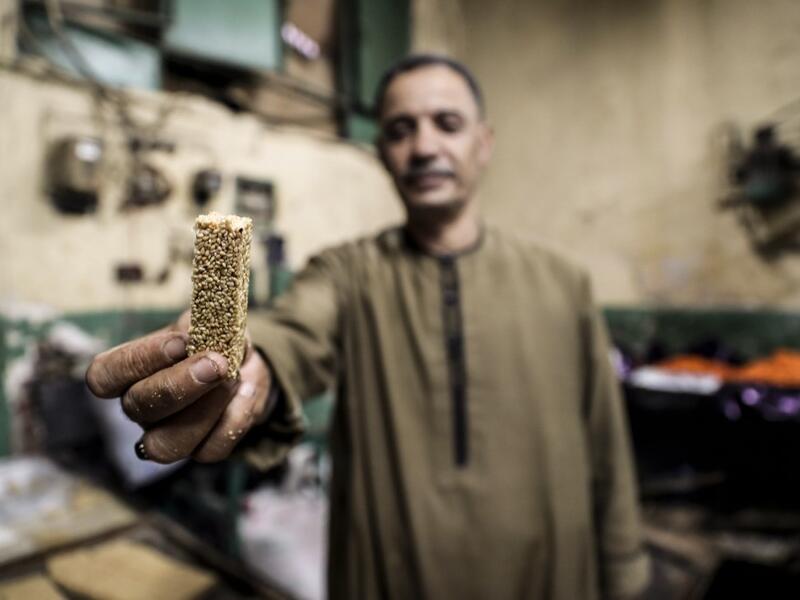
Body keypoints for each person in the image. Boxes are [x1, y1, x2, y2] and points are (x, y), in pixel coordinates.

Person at [87, 54, 650, 600]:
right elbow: (292, 333)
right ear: (382, 152)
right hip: (394, 573)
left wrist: (623, 567)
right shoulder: (348, 273)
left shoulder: (563, 283)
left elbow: (604, 438)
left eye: (447, 124)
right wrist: (249, 371)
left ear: (484, 143)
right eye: (401, 130)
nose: (424, 146)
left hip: (546, 572)